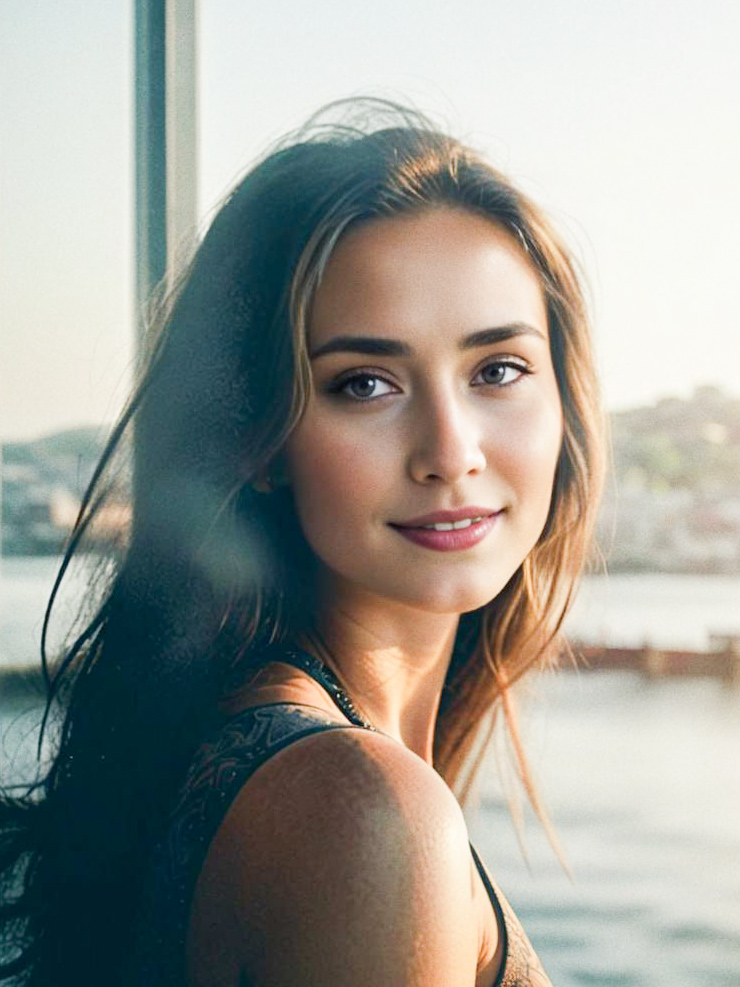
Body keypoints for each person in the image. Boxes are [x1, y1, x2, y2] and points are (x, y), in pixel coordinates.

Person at [0, 99, 604, 986]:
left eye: (497, 369)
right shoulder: (364, 815)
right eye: (364, 384)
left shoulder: (256, 752)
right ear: (261, 441)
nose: (450, 452)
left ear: (563, 400)